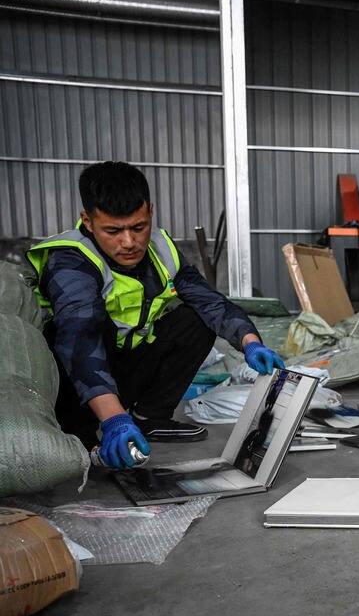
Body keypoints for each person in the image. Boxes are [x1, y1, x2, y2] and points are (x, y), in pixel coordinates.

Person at [26, 161, 286, 470]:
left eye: (138, 227)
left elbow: (210, 302)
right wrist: (114, 419)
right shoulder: (70, 259)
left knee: (193, 320)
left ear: (150, 211)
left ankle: (149, 417)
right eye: (113, 230)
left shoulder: (161, 250)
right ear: (88, 220)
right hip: (75, 379)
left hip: (125, 366)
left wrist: (251, 343)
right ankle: (88, 433)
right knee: (85, 331)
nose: (129, 242)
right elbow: (80, 343)